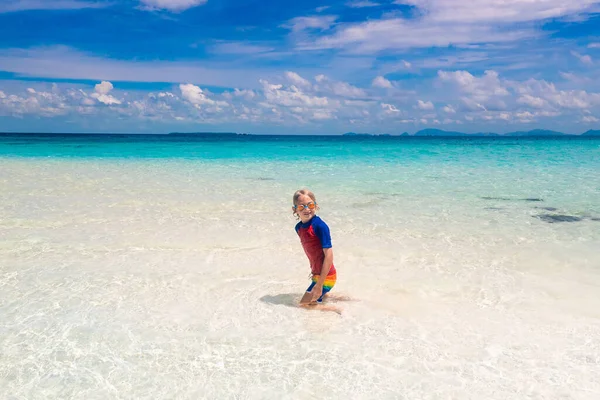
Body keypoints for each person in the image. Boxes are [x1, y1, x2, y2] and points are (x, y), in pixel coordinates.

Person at [292, 189, 340, 313]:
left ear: (316, 206)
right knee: (319, 296)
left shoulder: (320, 226)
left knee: (303, 305)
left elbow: (328, 255)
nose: (307, 209)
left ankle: (336, 309)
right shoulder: (299, 228)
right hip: (318, 275)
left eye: (310, 205)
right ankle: (340, 298)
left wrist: (319, 284)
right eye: (302, 206)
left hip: (326, 276)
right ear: (295, 210)